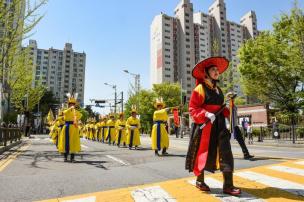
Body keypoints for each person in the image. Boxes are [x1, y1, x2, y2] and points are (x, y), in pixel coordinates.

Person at [186, 57, 241, 196]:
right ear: (206, 73)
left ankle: (228, 185)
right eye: (213, 70)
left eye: (217, 70)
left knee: (226, 152)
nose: (216, 72)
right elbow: (193, 108)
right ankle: (200, 180)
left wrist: (230, 112)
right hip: (205, 125)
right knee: (203, 152)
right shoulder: (200, 88)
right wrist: (205, 113)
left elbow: (222, 109)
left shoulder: (219, 90)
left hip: (220, 125)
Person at [58, 93, 82, 162]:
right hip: (67, 127)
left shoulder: (76, 112)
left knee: (73, 142)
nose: (72, 105)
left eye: (73, 104)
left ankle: (72, 158)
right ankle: (65, 157)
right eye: (70, 104)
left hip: (74, 128)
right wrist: (70, 109)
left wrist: (75, 110)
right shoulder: (66, 111)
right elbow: (64, 113)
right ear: (68, 105)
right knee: (65, 142)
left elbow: (80, 115)